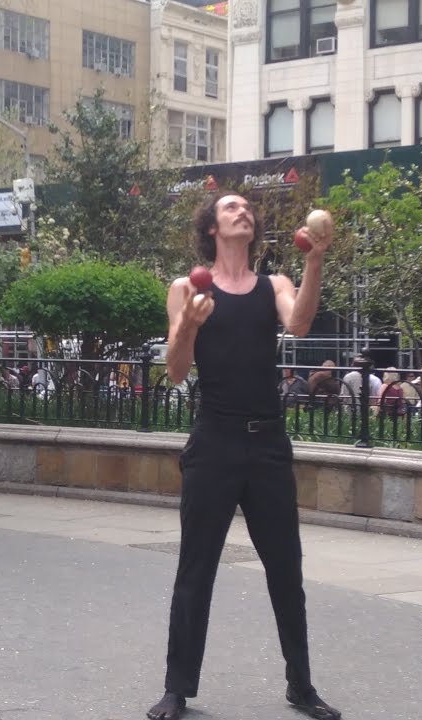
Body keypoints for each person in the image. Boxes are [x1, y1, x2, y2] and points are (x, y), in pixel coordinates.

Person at [147, 193, 340, 720]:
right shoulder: (186, 288)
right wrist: (188, 323)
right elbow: (177, 370)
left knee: (286, 570)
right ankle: (176, 688)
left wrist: (314, 259)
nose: (243, 212)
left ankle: (301, 686)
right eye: (231, 207)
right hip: (214, 441)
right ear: (211, 227)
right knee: (196, 568)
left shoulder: (272, 285)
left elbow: (299, 323)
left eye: (248, 209)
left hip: (268, 443)